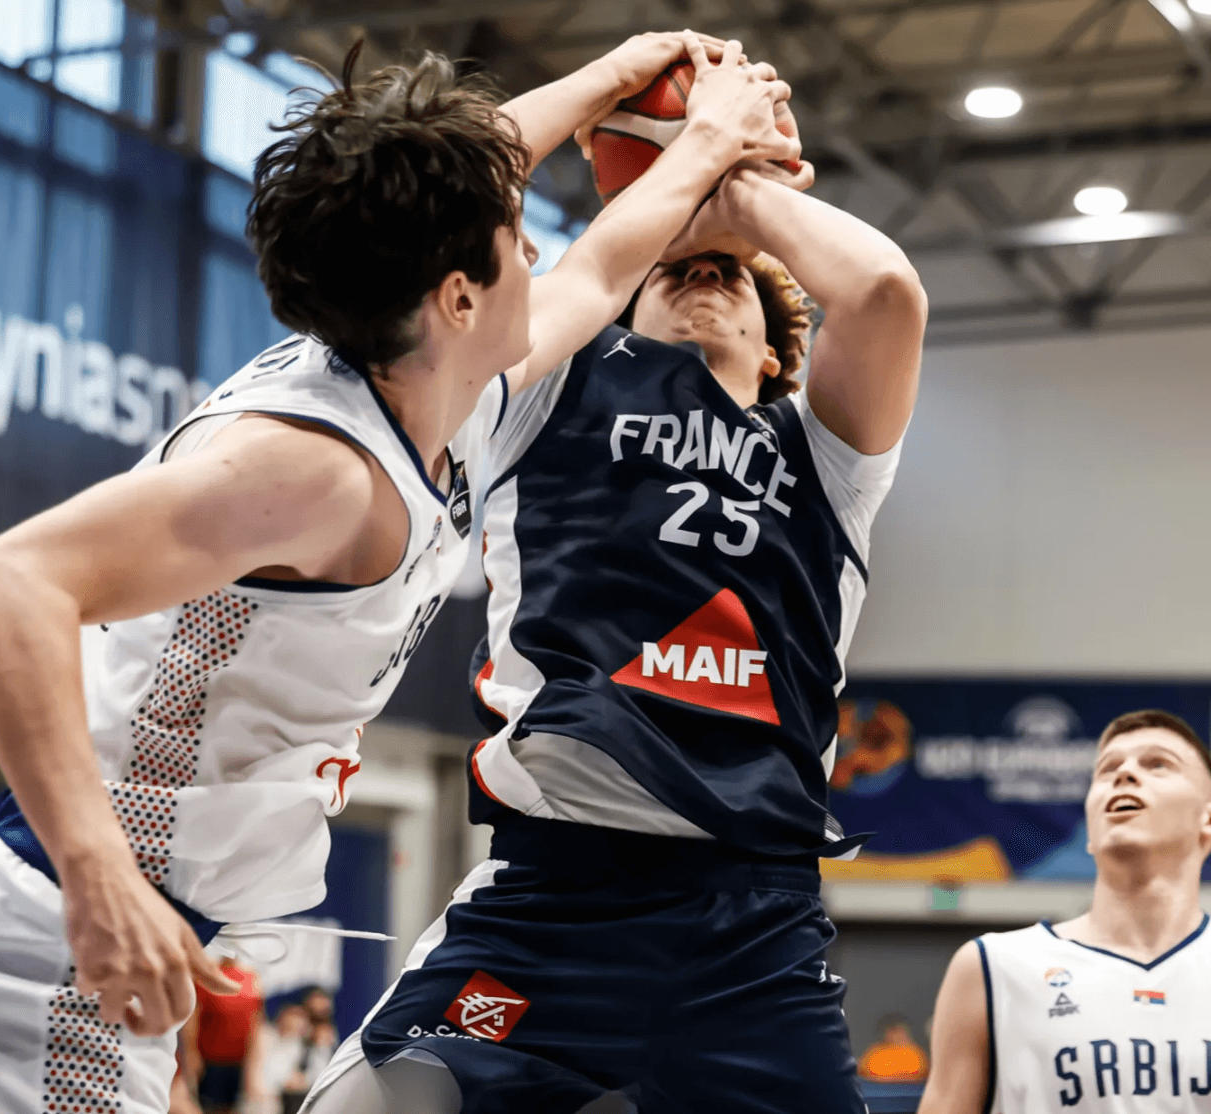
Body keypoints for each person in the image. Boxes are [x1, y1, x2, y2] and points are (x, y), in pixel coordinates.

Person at [0, 30, 796, 1114]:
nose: (537, 253)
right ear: (457, 296)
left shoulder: (437, 383)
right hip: (53, 941)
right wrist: (98, 881)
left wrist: (640, 90)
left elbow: (588, 250)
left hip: (79, 937)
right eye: (513, 238)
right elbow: (3, 587)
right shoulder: (316, 469)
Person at [305, 59, 924, 1114]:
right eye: (675, 269)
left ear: (779, 354)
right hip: (556, 894)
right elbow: (519, 244)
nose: (702, 276)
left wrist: (729, 180)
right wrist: (687, 167)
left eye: (730, 276)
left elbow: (882, 292)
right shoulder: (546, 397)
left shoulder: (826, 461)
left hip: (755, 920)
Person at [918, 709, 1211, 1114]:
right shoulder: (991, 967)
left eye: (1158, 764)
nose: (1125, 774)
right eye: (1107, 769)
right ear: (1090, 825)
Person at [183, 954, 265, 1113]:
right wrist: (191, 1053)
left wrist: (254, 1062)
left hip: (239, 1060)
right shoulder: (206, 975)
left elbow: (256, 1021)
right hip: (210, 1058)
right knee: (209, 1107)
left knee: (233, 1107)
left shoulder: (251, 977)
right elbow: (193, 1020)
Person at [857, 1014, 929, 1083]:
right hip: (880, 1091)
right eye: (893, 1031)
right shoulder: (875, 1052)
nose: (896, 1035)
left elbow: (920, 1071)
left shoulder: (916, 1053)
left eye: (898, 1030)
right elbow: (862, 1069)